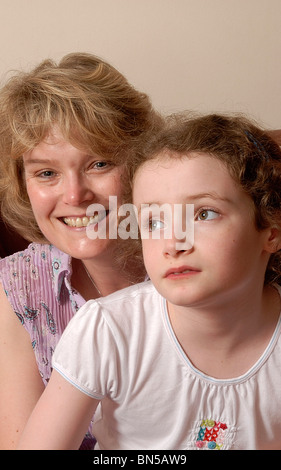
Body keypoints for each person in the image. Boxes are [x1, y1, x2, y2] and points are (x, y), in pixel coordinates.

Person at [17, 112, 281, 450]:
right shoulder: (109, 330)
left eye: (204, 214)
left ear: (270, 231)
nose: (174, 243)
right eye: (154, 223)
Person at [0, 52, 161, 450]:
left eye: (100, 163)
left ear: (143, 162)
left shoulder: (194, 258)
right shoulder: (18, 285)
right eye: (47, 173)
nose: (75, 195)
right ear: (23, 184)